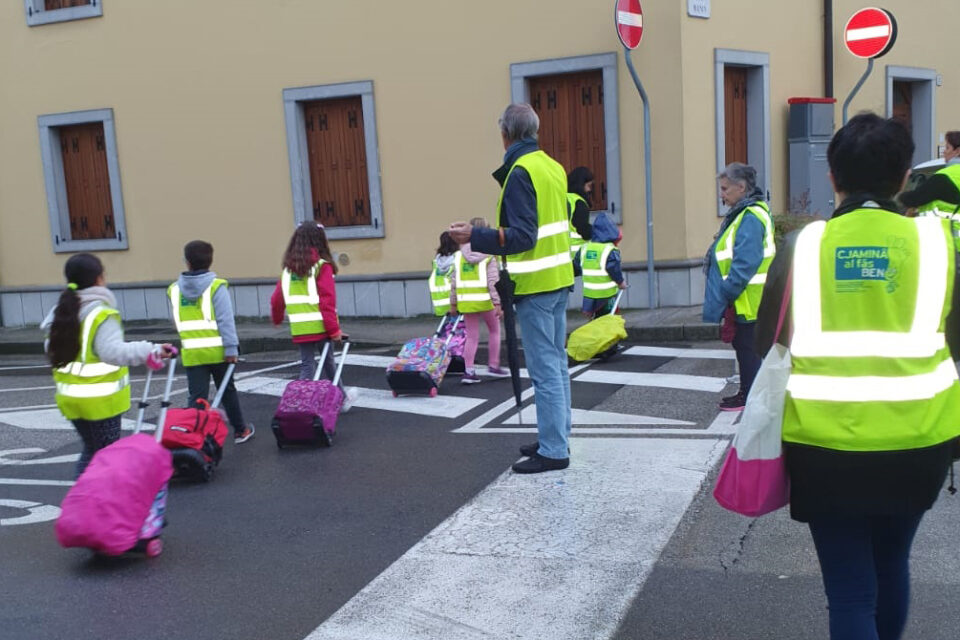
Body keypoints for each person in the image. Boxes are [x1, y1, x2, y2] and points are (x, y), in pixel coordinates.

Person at [755, 112, 960, 640]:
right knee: (893, 565)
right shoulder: (937, 246)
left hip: (824, 445)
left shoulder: (805, 246)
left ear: (833, 176)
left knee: (850, 590)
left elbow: (768, 345)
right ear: (904, 175)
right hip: (919, 439)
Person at [449, 103, 573, 474]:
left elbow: (522, 235)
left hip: (535, 285)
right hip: (558, 279)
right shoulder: (552, 166)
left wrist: (475, 235)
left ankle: (553, 449)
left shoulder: (520, 172)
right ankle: (557, 436)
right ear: (533, 131)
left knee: (545, 369)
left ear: (506, 134)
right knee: (558, 365)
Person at [41, 253, 175, 478]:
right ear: (100, 278)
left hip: (72, 401)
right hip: (100, 402)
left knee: (93, 452)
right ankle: (92, 506)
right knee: (105, 457)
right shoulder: (100, 314)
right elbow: (113, 352)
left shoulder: (62, 312)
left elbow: (50, 348)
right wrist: (150, 350)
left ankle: (84, 502)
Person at [703, 162, 775, 411]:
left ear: (741, 188)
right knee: (745, 347)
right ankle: (748, 392)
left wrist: (727, 291)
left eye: (725, 189)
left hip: (748, 298)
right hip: (748, 297)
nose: (721, 194)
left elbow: (745, 262)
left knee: (748, 349)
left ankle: (749, 395)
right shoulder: (746, 214)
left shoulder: (750, 216)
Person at [168, 240, 254, 444]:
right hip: (219, 352)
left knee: (197, 397)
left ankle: (191, 436)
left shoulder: (174, 290)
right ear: (210, 261)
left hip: (192, 353)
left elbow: (175, 321)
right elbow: (225, 319)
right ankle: (240, 430)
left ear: (187, 262)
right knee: (227, 392)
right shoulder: (216, 287)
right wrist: (232, 347)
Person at [271, 222, 356, 411]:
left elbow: (277, 299)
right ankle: (340, 398)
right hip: (321, 326)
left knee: (307, 365)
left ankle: (300, 403)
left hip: (300, 327)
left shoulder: (288, 270)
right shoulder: (321, 266)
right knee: (329, 363)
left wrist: (277, 318)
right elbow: (327, 302)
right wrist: (334, 330)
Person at [449, 217, 508, 384]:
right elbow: (492, 282)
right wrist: (498, 303)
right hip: (486, 301)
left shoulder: (459, 256)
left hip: (466, 302)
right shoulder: (489, 255)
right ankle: (493, 366)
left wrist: (453, 303)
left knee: (472, 337)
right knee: (494, 331)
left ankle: (468, 372)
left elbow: (453, 282)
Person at [899, 130, 960, 217]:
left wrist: (900, 195)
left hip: (946, 228)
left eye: (947, 148)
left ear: (957, 151)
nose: (944, 152)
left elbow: (913, 199)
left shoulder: (945, 176)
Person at [578, 212, 626, 318]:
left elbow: (577, 266)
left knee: (595, 324)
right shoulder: (609, 250)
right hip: (606, 296)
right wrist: (621, 282)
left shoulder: (585, 248)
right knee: (609, 324)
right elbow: (614, 269)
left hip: (589, 297)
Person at [566, 166, 594, 260]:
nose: (589, 190)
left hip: (561, 257)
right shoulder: (579, 202)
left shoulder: (562, 198)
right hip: (577, 257)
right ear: (581, 184)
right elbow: (584, 231)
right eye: (588, 186)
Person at [429, 232, 458, 317]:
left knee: (450, 324)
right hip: (456, 300)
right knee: (461, 325)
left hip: (440, 301)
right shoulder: (458, 259)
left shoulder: (436, 262)